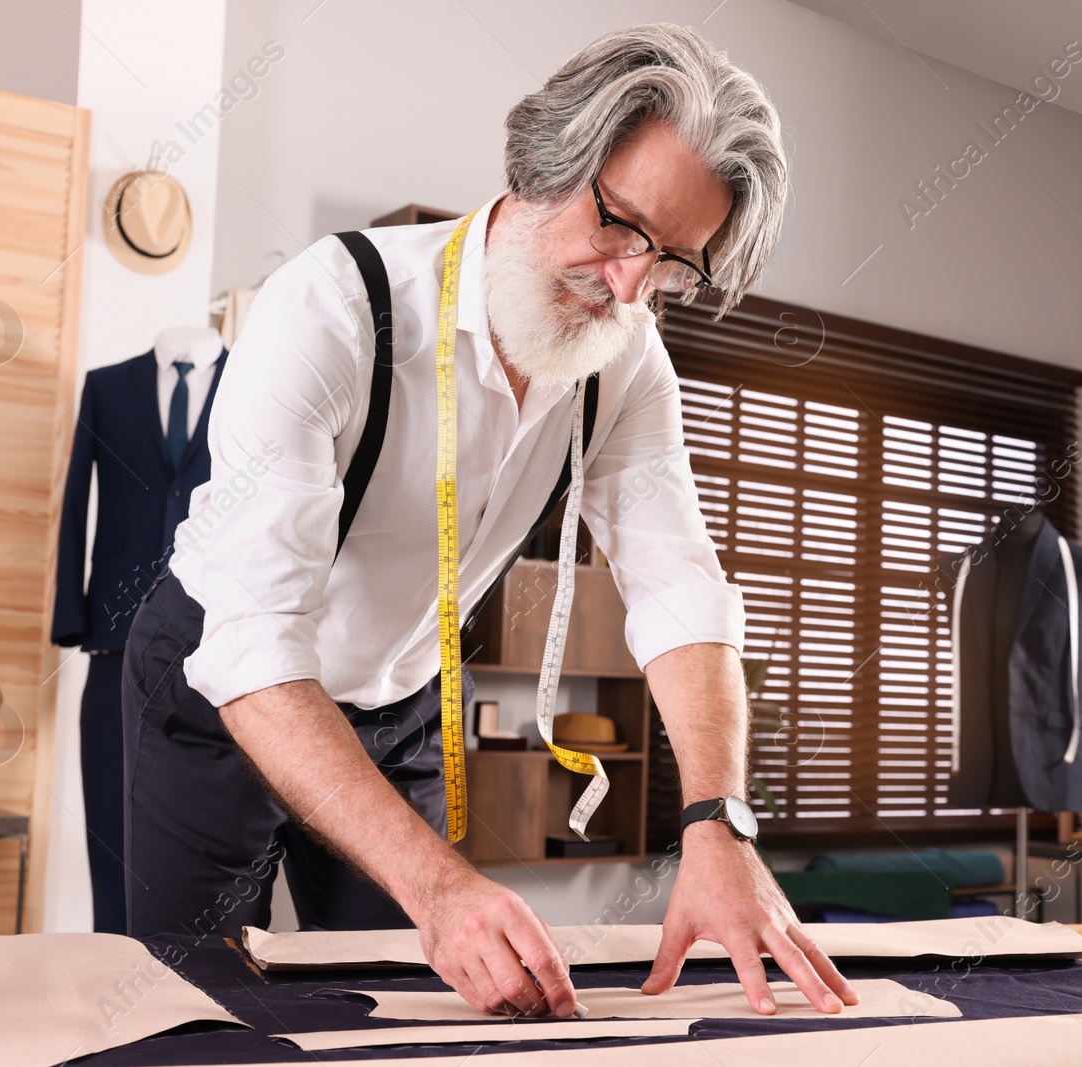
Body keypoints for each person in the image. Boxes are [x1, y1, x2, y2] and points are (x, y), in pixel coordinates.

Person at [121, 21, 858, 1020]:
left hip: (398, 700)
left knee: (407, 1005)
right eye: (620, 226)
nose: (633, 285)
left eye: (678, 264)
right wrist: (436, 882)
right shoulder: (335, 312)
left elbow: (678, 582)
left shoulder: (625, 363)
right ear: (547, 160)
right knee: (196, 1007)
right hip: (218, 687)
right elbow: (252, 648)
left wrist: (716, 822)